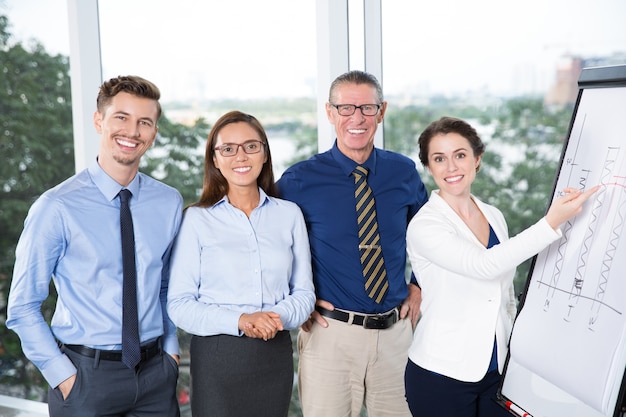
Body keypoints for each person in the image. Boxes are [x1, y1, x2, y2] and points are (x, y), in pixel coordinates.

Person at [6, 75, 182, 416]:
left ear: (153, 133)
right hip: (85, 378)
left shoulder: (168, 202)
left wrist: (170, 353)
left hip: (155, 377)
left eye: (144, 122)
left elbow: (163, 286)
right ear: (98, 120)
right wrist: (63, 377)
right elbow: (23, 306)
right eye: (122, 117)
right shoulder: (56, 207)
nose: (132, 132)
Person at [404, 116, 599, 417]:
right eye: (439, 159)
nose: (451, 167)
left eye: (460, 155)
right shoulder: (425, 225)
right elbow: (484, 265)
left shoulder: (493, 215)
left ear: (477, 159)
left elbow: (505, 295)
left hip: (497, 370)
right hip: (441, 375)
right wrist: (552, 222)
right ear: (429, 167)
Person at [277, 70, 428, 417]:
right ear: (330, 113)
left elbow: (430, 238)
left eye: (367, 108)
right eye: (345, 108)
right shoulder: (298, 180)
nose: (356, 118)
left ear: (382, 111)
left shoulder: (402, 172)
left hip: (396, 337)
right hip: (331, 335)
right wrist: (295, 300)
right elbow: (269, 246)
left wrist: (419, 285)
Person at [166, 110, 316, 417]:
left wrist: (274, 317)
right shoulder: (197, 219)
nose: (240, 156)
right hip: (217, 358)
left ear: (264, 154)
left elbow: (304, 293)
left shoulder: (289, 215)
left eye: (251, 146)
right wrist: (242, 320)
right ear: (215, 160)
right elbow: (179, 304)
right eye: (228, 149)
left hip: (273, 352)